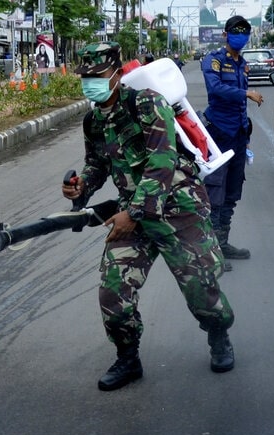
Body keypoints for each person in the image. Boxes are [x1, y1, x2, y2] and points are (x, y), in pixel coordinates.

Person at [64, 42, 235, 391]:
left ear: (115, 75)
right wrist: (81, 188)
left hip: (178, 208)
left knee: (201, 290)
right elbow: (97, 164)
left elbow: (162, 162)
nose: (89, 84)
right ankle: (128, 358)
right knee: (113, 292)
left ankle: (219, 335)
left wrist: (133, 212)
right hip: (133, 212)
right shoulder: (93, 119)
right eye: (85, 78)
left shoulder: (146, 103)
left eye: (96, 76)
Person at [201, 15, 263, 271]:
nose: (240, 36)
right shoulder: (214, 60)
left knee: (232, 192)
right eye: (235, 32)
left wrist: (245, 136)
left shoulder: (243, 64)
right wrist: (246, 92)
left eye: (244, 32)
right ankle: (210, 252)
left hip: (238, 135)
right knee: (215, 192)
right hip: (218, 135)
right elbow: (215, 90)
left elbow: (240, 105)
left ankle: (223, 243)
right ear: (225, 34)